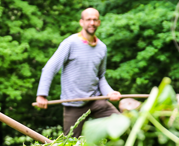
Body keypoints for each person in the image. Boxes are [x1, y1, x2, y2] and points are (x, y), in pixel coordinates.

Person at [36, 8, 122, 137]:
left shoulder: (101, 48)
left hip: (95, 100)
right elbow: (50, 68)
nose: (92, 23)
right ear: (81, 22)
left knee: (121, 124)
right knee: (70, 144)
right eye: (88, 19)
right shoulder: (70, 43)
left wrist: (109, 92)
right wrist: (42, 95)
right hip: (73, 103)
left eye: (95, 20)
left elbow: (101, 77)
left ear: (99, 22)